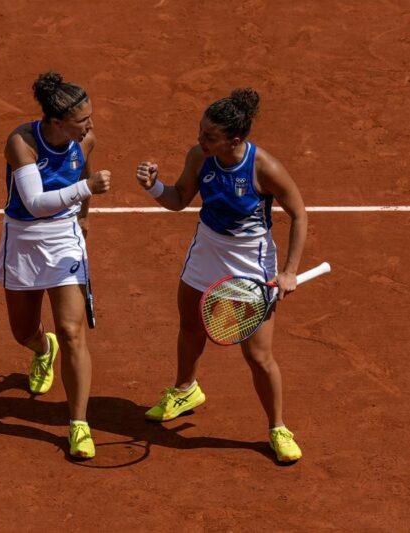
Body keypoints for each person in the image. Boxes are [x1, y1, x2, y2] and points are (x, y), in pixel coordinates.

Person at [135, 88, 307, 463]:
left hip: (251, 263)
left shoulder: (265, 167)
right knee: (190, 325)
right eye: (200, 131)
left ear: (236, 139)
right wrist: (154, 188)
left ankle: (277, 428)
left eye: (209, 136)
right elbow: (180, 198)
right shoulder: (200, 156)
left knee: (258, 355)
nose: (200, 140)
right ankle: (185, 389)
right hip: (207, 251)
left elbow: (299, 214)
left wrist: (289, 271)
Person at [0, 71, 110, 460]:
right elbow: (34, 203)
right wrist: (86, 191)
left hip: (64, 242)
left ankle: (78, 423)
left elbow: (84, 171)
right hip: (23, 239)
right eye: (82, 120)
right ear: (57, 122)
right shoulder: (21, 142)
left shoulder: (85, 140)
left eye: (90, 117)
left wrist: (85, 215)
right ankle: (43, 349)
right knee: (22, 329)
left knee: (73, 332)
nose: (90, 125)